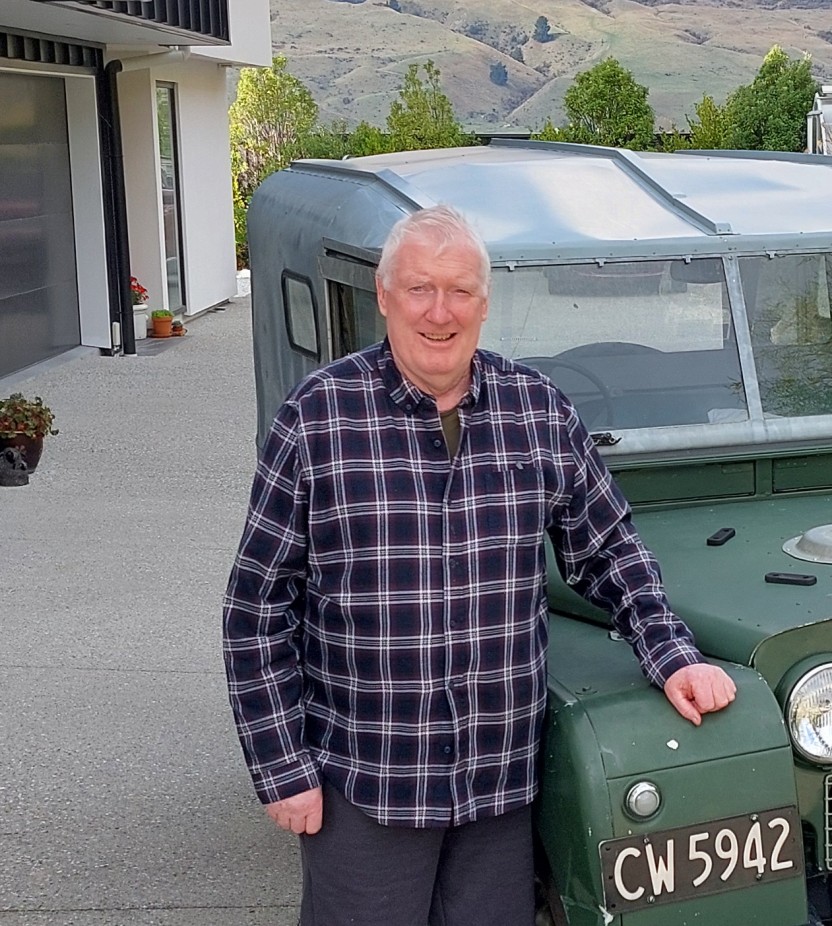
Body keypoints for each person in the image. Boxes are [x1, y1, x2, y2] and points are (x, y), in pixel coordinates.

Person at [223, 204, 736, 925]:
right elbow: (255, 609)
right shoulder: (317, 418)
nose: (440, 312)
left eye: (459, 290)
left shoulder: (537, 411)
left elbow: (609, 549)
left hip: (497, 788)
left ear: (485, 303)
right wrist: (282, 768)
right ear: (384, 295)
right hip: (367, 781)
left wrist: (672, 655)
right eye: (419, 289)